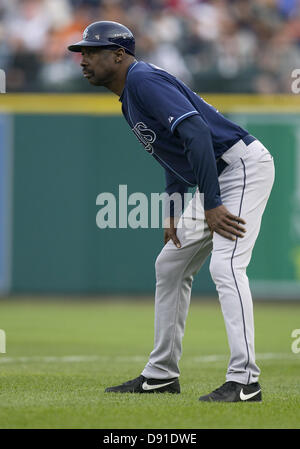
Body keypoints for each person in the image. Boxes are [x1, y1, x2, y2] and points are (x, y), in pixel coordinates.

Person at [68, 21, 275, 402]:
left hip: (240, 168)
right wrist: (175, 207)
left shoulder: (142, 80)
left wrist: (211, 203)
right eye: (82, 52)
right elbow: (172, 151)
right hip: (217, 174)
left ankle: (246, 381)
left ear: (120, 54)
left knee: (226, 267)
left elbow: (195, 133)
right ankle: (161, 374)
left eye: (93, 52)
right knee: (170, 265)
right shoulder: (130, 93)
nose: (84, 60)